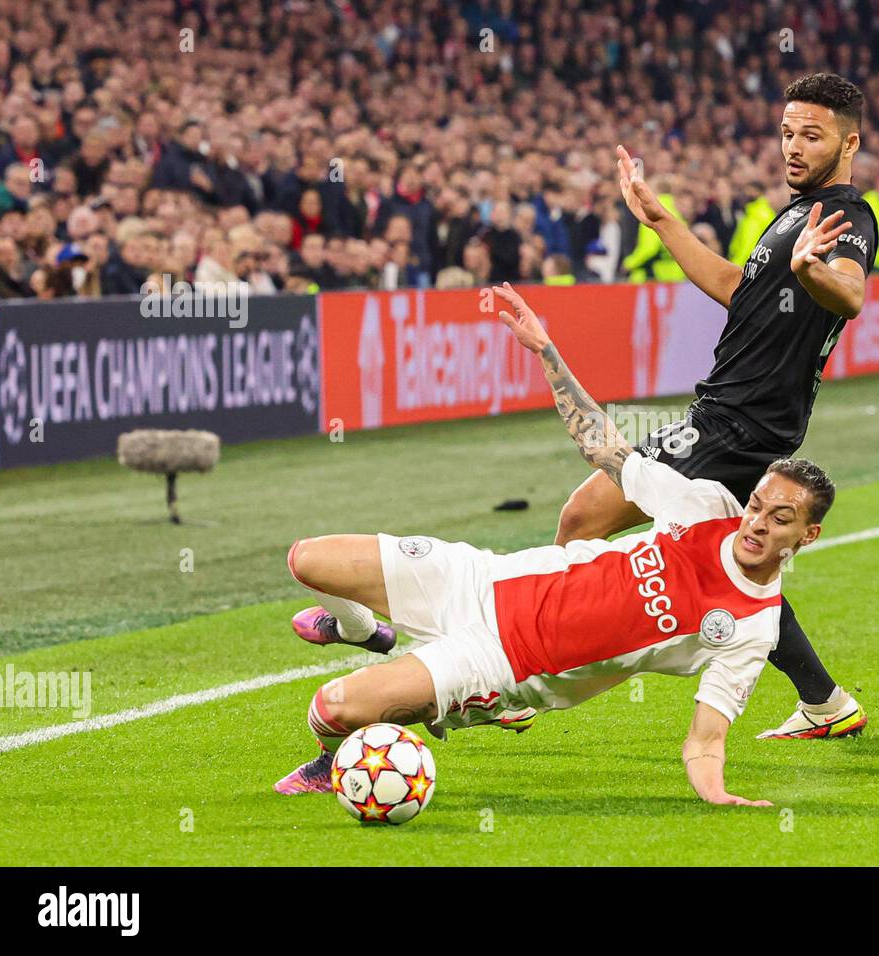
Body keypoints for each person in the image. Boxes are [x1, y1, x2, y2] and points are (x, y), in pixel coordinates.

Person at [275, 283, 838, 806]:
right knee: (307, 559)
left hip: (500, 662)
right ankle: (361, 630)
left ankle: (331, 761)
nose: (756, 522)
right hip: (482, 577)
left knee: (334, 708)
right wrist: (545, 349)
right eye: (757, 504)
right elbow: (603, 447)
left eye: (778, 517)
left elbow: (706, 738)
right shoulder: (706, 506)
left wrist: (716, 792)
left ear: (806, 535)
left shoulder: (752, 626)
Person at [546, 73, 878, 740]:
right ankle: (825, 702)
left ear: (849, 142)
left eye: (811, 135)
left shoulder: (845, 215)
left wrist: (816, 272)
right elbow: (735, 286)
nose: (793, 147)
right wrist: (662, 219)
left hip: (735, 426)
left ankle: (538, 670)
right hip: (733, 419)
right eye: (787, 132)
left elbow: (851, 293)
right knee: (732, 560)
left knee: (583, 519)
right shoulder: (789, 216)